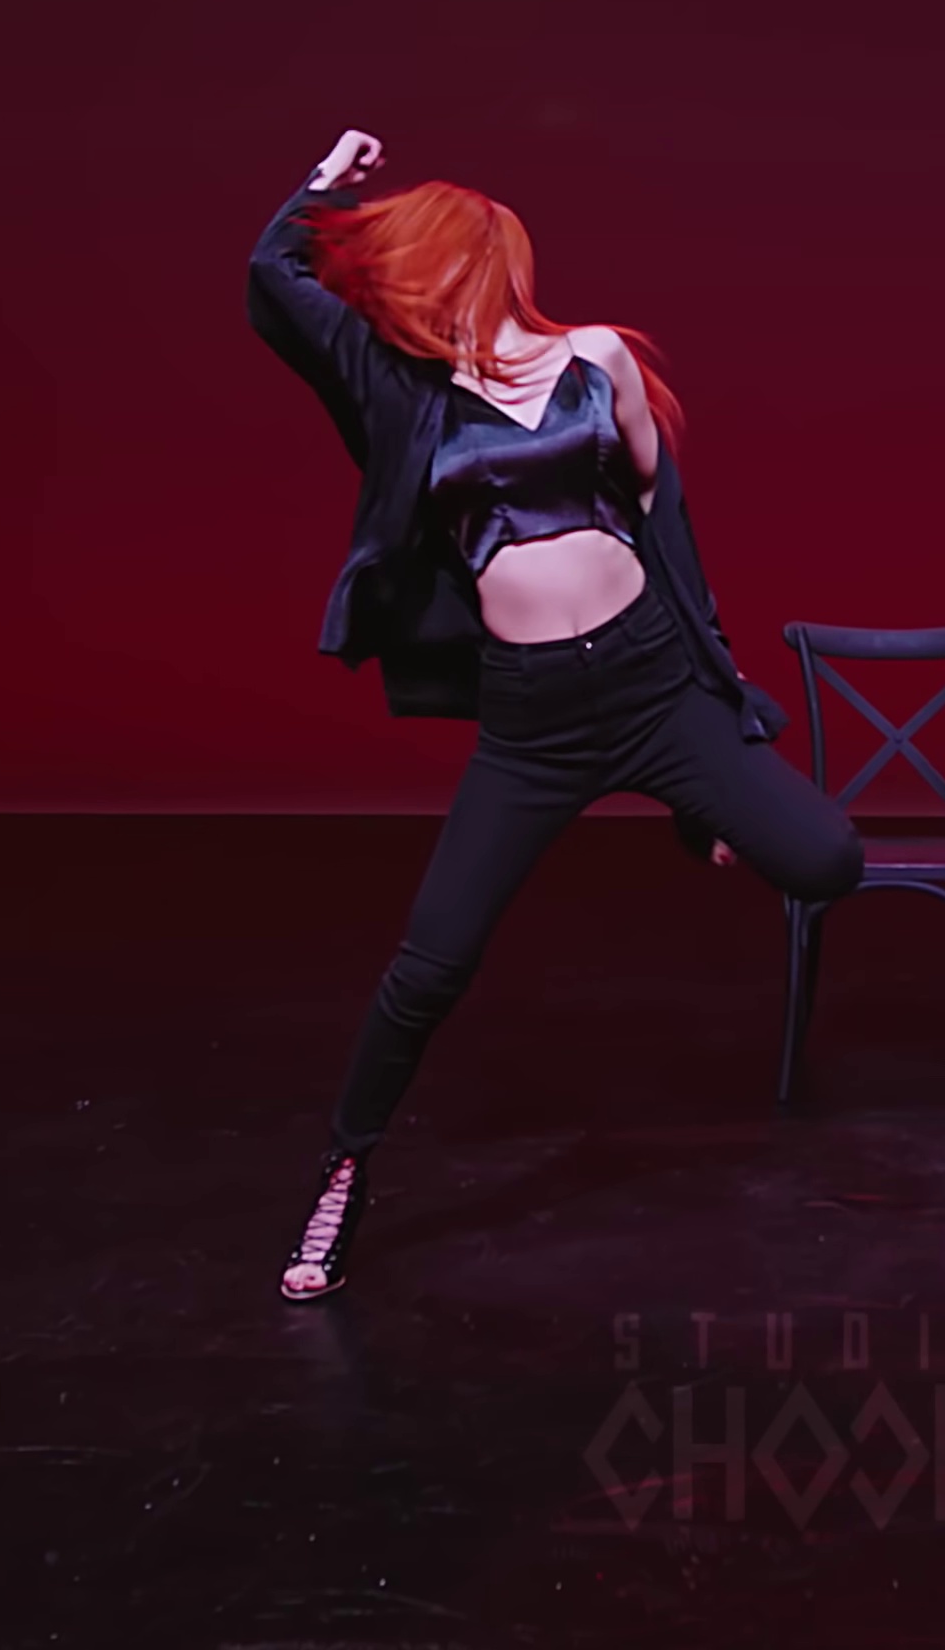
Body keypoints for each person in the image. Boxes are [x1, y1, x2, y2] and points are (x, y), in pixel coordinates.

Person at [246, 128, 865, 1301]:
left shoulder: (597, 359)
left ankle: (695, 803)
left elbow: (665, 527)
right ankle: (343, 1170)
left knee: (828, 858)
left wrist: (719, 690)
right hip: (533, 721)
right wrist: (326, 183)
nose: (416, 285)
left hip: (651, 681)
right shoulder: (404, 394)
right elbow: (270, 282)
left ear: (481, 262)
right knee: (431, 965)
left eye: (432, 262)